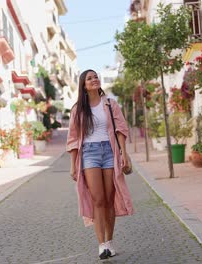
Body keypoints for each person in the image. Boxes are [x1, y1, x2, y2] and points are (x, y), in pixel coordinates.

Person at [66, 69, 133, 260]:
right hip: (89, 153)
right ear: (83, 85)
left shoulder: (111, 104)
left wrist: (124, 154)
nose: (94, 80)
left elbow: (121, 129)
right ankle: (101, 245)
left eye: (96, 77)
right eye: (90, 78)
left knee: (110, 197)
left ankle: (110, 242)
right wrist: (72, 165)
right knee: (98, 199)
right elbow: (72, 138)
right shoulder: (77, 109)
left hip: (109, 151)